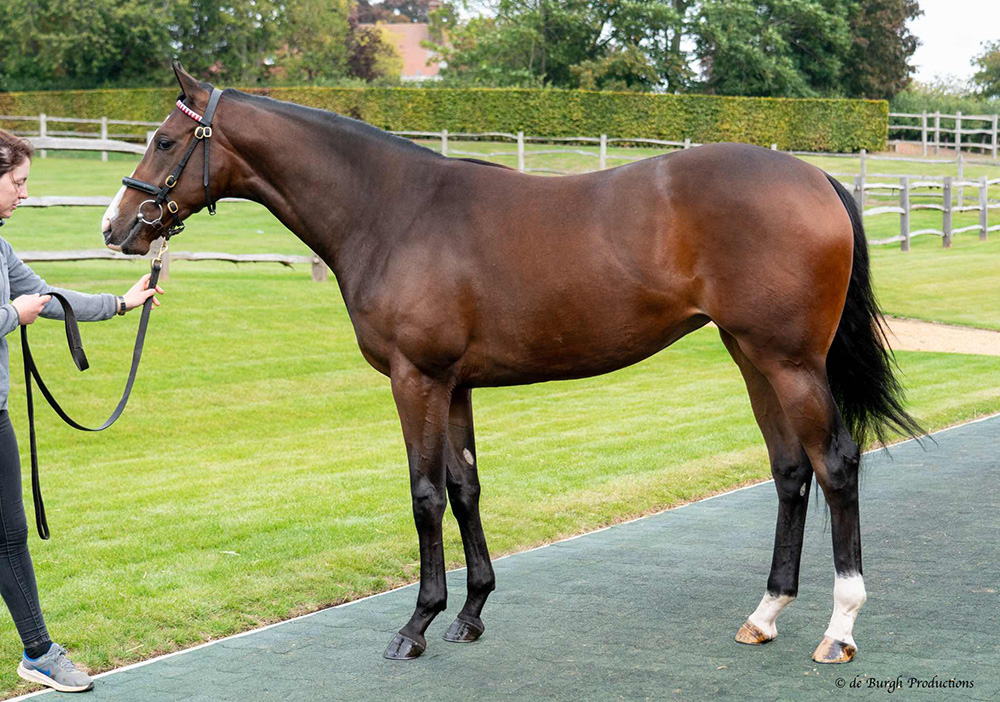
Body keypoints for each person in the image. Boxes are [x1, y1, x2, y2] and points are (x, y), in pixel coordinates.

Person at [0, 128, 162, 692]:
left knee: (10, 535)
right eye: (17, 182)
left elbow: (46, 298)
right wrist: (8, 317)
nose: (24, 193)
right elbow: (17, 310)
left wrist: (121, 302)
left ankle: (38, 652)